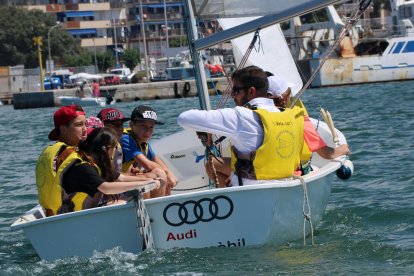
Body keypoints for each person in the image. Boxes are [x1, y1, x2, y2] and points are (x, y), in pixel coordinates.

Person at [178, 65, 303, 186]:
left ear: (251, 91)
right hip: (285, 188)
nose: (232, 95)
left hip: (248, 196)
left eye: (236, 91)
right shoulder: (287, 115)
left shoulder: (241, 116)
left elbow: (184, 118)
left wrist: (207, 127)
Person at [60, 128, 161, 213]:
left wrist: (148, 180)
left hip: (85, 209)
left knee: (135, 196)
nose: (115, 151)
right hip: (75, 213)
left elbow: (122, 178)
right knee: (129, 201)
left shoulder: (98, 163)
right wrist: (143, 184)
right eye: (115, 147)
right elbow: (106, 188)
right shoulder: (84, 167)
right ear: (106, 149)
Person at [266, 75, 350, 174]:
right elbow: (326, 154)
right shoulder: (298, 117)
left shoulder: (254, 115)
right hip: (292, 173)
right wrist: (344, 149)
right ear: (286, 98)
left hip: (261, 175)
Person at [35, 105, 87, 216]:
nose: (85, 129)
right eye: (79, 125)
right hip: (72, 216)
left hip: (53, 215)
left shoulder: (48, 152)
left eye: (85, 124)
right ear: (63, 129)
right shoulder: (70, 155)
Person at [121, 105, 178, 197]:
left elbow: (156, 159)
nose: (148, 131)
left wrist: (170, 174)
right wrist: (168, 175)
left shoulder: (143, 143)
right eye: (143, 126)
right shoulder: (125, 139)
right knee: (156, 176)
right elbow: (148, 165)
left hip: (130, 180)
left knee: (159, 174)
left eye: (151, 127)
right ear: (131, 125)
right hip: (120, 184)